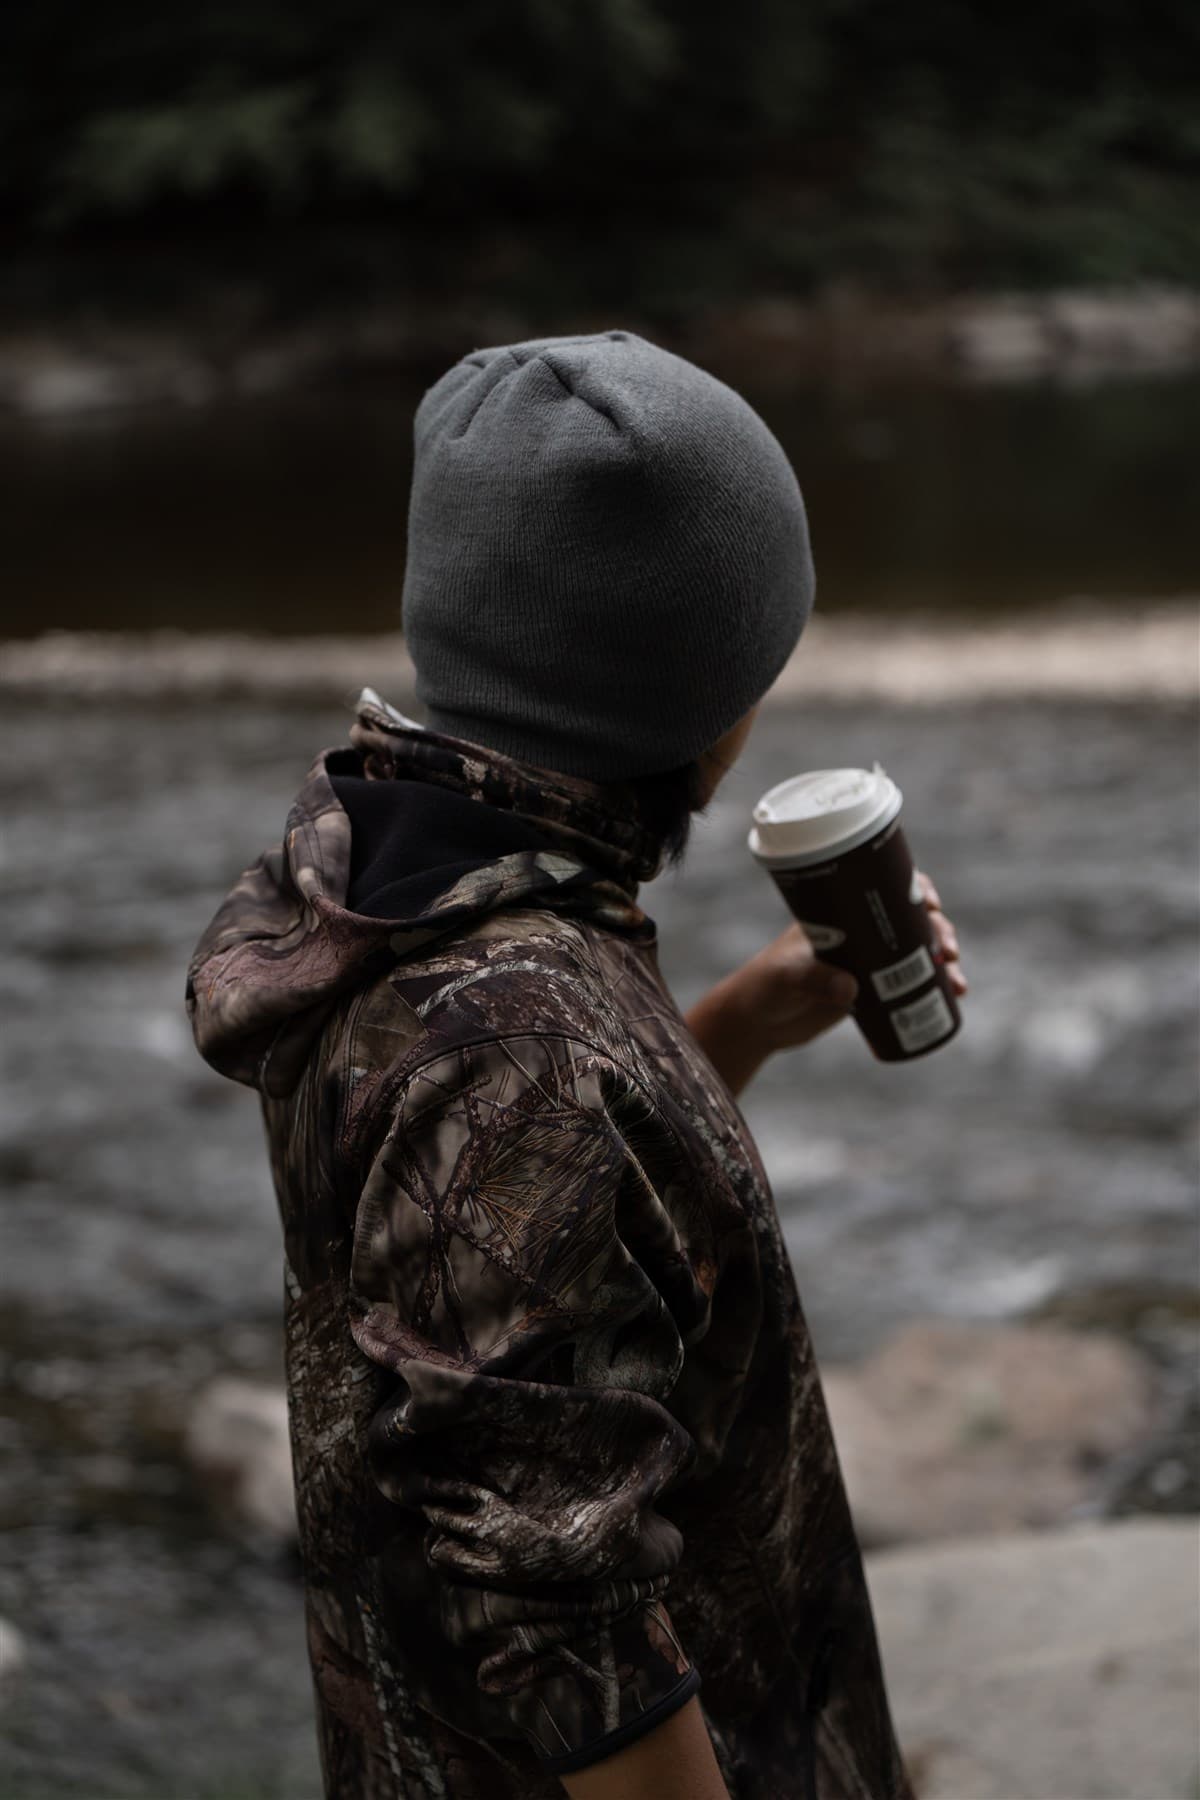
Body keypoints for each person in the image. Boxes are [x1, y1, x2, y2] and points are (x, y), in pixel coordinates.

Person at [186, 330, 967, 1800]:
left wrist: (733, 1025)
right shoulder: (517, 1044)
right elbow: (562, 1620)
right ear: (695, 693)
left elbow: (532, 1234)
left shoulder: (407, 880)